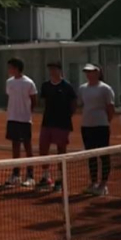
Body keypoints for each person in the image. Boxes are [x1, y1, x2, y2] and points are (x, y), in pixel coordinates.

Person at [37, 61, 77, 191]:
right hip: (47, 122)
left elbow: (73, 104)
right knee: (43, 149)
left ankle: (60, 179)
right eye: (50, 69)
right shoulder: (45, 86)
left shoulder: (67, 86)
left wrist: (66, 117)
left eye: (54, 69)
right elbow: (43, 102)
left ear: (60, 70)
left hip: (62, 124)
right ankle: (45, 177)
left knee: (61, 151)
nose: (52, 71)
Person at [78, 64, 116, 196]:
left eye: (91, 72)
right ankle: (93, 182)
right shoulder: (82, 88)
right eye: (86, 72)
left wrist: (105, 122)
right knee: (91, 155)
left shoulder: (105, 89)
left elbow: (110, 108)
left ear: (98, 73)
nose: (88, 74)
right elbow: (82, 105)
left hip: (101, 126)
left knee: (104, 155)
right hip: (86, 126)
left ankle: (103, 184)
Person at [5, 58, 38, 187]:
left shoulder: (29, 83)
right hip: (12, 118)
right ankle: (16, 174)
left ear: (17, 68)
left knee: (28, 147)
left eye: (10, 67)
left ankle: (30, 176)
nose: (9, 70)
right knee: (15, 147)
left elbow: (34, 100)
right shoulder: (9, 82)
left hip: (24, 120)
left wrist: (27, 113)